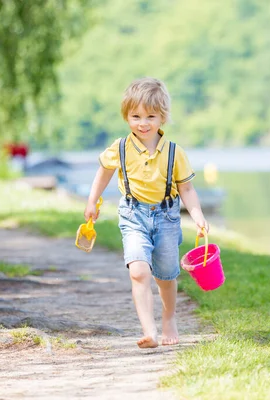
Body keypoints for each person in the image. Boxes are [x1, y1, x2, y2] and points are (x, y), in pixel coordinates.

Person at [84, 77, 209, 348]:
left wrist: (197, 215)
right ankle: (149, 330)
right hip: (133, 215)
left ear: (162, 117)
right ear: (127, 116)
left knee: (165, 275)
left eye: (151, 116)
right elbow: (103, 173)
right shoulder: (120, 148)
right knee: (139, 271)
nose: (143, 122)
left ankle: (169, 318)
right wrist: (92, 201)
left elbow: (186, 189)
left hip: (166, 217)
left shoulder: (175, 153)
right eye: (136, 116)